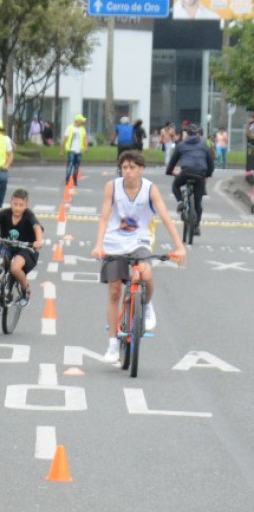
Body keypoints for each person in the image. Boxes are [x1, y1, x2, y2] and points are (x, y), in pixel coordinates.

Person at [91, 150, 186, 364]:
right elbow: (104, 217)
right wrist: (98, 245)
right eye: (125, 167)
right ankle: (113, 345)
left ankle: (147, 304)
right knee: (115, 289)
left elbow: (165, 217)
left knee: (146, 272)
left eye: (133, 167)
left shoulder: (150, 190)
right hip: (114, 242)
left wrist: (179, 247)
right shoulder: (112, 187)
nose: (128, 171)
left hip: (140, 241)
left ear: (141, 169)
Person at [0, 188, 43, 306]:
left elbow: (37, 227)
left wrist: (39, 241)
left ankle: (25, 290)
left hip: (25, 248)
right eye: (15, 204)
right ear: (11, 203)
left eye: (21, 205)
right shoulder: (6, 213)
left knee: (15, 268)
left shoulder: (29, 215)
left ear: (26, 205)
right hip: (6, 246)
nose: (17, 208)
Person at [165, 122, 214, 238]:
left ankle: (181, 202)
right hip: (200, 174)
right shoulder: (204, 145)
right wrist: (208, 174)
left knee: (175, 185)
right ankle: (196, 226)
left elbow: (173, 161)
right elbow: (210, 162)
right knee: (198, 202)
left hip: (186, 172)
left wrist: (169, 171)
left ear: (187, 133)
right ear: (198, 133)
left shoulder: (181, 145)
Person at [63, 114, 88, 185]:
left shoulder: (82, 129)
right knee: (70, 165)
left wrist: (86, 146)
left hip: (79, 150)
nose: (83, 122)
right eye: (82, 121)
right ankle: (67, 179)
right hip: (71, 150)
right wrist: (62, 150)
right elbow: (65, 139)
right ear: (77, 121)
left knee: (76, 166)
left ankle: (74, 180)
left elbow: (85, 138)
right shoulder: (70, 128)